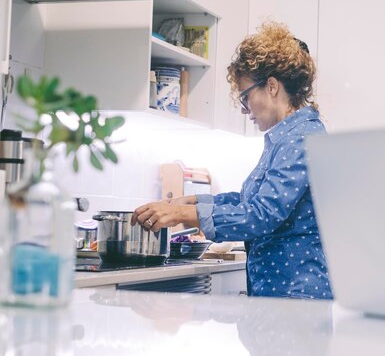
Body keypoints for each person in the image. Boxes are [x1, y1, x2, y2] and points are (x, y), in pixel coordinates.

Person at [131, 21, 333, 300]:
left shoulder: (300, 138)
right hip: (284, 293)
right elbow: (254, 202)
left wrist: (183, 215)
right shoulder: (288, 137)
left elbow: (262, 215)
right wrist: (198, 202)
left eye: (245, 96)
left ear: (272, 87)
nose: (243, 108)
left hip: (296, 295)